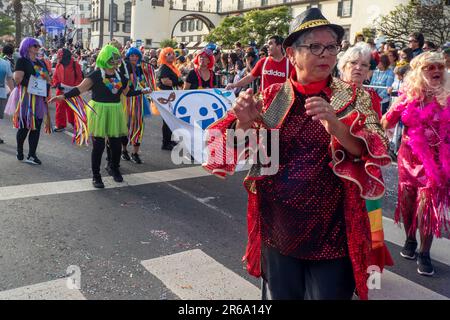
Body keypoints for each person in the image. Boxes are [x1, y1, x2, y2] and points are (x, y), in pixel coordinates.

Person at [203, 8, 390, 300]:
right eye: (314, 46)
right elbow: (222, 148)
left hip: (334, 233)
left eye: (331, 47)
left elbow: (376, 148)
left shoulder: (353, 97)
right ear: (291, 53)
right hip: (279, 231)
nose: (325, 54)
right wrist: (243, 122)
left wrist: (337, 127)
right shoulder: (273, 97)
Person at [381, 52, 449, 276]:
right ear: (419, 72)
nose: (437, 71)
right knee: (409, 202)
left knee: (426, 205)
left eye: (439, 66)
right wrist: (401, 104)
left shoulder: (447, 97)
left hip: (437, 160)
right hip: (409, 157)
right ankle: (410, 239)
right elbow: (385, 122)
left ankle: (424, 252)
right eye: (430, 67)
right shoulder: (409, 97)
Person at [49, 45, 149, 188]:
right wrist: (62, 97)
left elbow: (127, 93)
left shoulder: (120, 75)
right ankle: (96, 176)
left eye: (117, 59)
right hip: (99, 112)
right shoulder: (96, 75)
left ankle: (113, 168)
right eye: (113, 59)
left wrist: (142, 92)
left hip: (115, 111)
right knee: (99, 146)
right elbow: (80, 89)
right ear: (105, 58)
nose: (116, 62)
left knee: (115, 145)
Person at [337, 42, 394, 271]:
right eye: (353, 63)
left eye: (364, 65)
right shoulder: (330, 92)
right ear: (342, 66)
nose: (358, 68)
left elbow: (376, 132)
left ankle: (368, 264)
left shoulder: (372, 97)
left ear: (370, 71)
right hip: (338, 165)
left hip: (366, 165)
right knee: (340, 220)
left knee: (371, 217)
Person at [4, 37, 52, 165]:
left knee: (36, 127)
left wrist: (45, 88)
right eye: (35, 46)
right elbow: (18, 79)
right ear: (28, 47)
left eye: (38, 46)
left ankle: (32, 155)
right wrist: (35, 85)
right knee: (25, 126)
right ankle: (20, 149)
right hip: (26, 97)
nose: (38, 48)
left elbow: (47, 78)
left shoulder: (40, 62)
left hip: (39, 99)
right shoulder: (22, 61)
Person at [120, 47, 152, 164]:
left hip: (139, 100)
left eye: (136, 56)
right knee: (126, 126)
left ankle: (135, 152)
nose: (134, 58)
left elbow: (145, 82)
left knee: (139, 126)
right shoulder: (125, 67)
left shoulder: (140, 69)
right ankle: (124, 150)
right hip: (127, 100)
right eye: (132, 56)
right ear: (128, 56)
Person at [226, 35, 292, 93]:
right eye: (267, 45)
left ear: (279, 46)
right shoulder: (262, 62)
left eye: (270, 44)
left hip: (281, 105)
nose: (267, 47)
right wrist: (234, 85)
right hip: (263, 103)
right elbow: (250, 77)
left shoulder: (289, 64)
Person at [157, 47, 184, 150]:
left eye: (172, 53)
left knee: (171, 119)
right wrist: (178, 82)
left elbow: (177, 80)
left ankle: (169, 140)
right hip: (166, 97)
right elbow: (165, 82)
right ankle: (165, 142)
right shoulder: (164, 67)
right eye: (168, 54)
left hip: (173, 96)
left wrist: (179, 81)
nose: (172, 55)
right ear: (164, 56)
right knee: (167, 119)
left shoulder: (172, 67)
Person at [52, 48, 83, 132]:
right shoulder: (59, 64)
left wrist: (74, 87)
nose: (59, 59)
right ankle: (60, 125)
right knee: (59, 108)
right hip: (61, 90)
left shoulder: (75, 64)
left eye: (60, 57)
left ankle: (75, 124)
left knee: (72, 108)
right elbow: (55, 77)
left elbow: (79, 78)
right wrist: (57, 84)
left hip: (72, 91)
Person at [0, 55, 14, 144]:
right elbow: (9, 79)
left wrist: (13, 92)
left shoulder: (5, 63)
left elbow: (9, 79)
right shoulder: (5, 63)